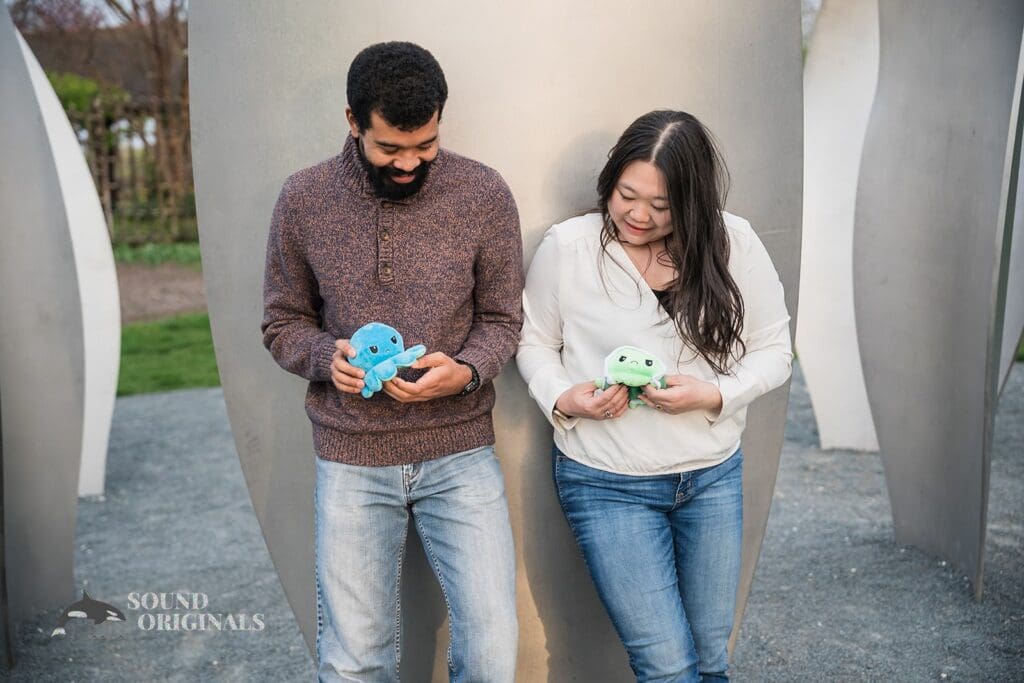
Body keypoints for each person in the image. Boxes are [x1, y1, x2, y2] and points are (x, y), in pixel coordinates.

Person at [261, 42, 522, 682]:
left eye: (425, 145)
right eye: (390, 148)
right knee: (355, 660)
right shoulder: (303, 198)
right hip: (350, 455)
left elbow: (503, 319)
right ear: (353, 121)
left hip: (460, 451)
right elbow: (281, 321)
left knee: (491, 651)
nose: (409, 162)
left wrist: (466, 371)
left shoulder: (484, 193)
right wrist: (325, 357)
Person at [516, 110, 792, 682]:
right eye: (626, 195)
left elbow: (775, 351)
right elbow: (534, 341)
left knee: (711, 661)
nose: (639, 215)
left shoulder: (734, 242)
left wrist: (713, 394)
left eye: (662, 206)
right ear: (610, 180)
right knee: (667, 667)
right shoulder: (570, 246)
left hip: (711, 476)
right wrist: (565, 398)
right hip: (606, 483)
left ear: (692, 202)